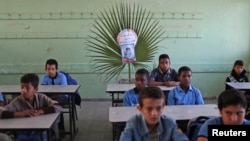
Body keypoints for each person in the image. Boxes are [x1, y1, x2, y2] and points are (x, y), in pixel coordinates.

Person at [0, 73, 62, 141]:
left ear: (36, 89)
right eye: (22, 87)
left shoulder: (41, 98)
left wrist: (41, 111)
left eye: (27, 88)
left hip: (40, 131)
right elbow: (1, 111)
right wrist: (20, 114)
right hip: (23, 132)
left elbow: (58, 106)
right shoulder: (17, 101)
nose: (24, 91)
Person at [119, 86, 189, 141]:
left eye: (158, 108)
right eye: (149, 109)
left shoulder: (169, 122)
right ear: (140, 109)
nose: (154, 114)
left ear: (163, 106)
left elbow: (181, 137)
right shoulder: (133, 123)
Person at [41, 58, 67, 134]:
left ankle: (61, 129)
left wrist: (51, 99)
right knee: (43, 104)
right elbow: (43, 91)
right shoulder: (44, 77)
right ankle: (49, 128)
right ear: (45, 69)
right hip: (50, 97)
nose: (50, 71)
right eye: (48, 69)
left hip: (62, 96)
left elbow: (64, 92)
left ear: (57, 69)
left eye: (53, 69)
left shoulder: (62, 77)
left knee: (57, 106)